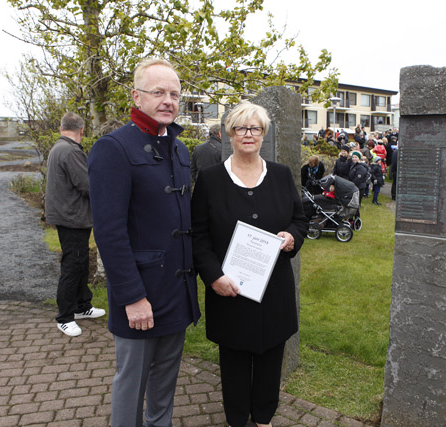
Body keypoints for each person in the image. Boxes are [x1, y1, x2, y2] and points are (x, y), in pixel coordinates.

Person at [87, 58, 201, 426]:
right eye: (158, 92)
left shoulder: (180, 149)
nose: (168, 100)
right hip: (141, 297)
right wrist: (133, 298)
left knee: (164, 390)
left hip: (176, 292)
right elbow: (109, 232)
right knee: (131, 388)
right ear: (136, 96)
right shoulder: (113, 148)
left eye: (174, 94)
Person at [191, 101, 308, 427]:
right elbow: (198, 235)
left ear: (262, 134)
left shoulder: (281, 175)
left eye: (255, 128)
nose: (248, 134)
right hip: (229, 290)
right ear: (229, 133)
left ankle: (264, 418)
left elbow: (300, 221)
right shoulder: (211, 179)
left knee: (272, 358)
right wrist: (213, 277)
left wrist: (291, 237)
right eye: (241, 128)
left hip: (274, 291)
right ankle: (237, 418)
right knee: (234, 362)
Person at [45, 111, 105, 337]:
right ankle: (65, 316)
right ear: (82, 131)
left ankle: (82, 306)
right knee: (73, 265)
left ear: (62, 128)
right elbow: (88, 185)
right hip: (72, 218)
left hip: (68, 215)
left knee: (79, 264)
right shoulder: (70, 151)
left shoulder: (59, 148)